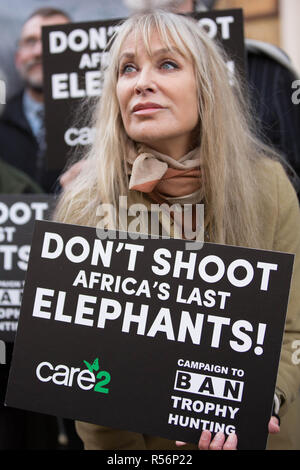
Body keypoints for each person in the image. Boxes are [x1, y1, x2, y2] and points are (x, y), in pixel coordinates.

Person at [54, 10, 300, 450]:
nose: (140, 82)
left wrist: (259, 401)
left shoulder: (269, 185)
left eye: (167, 64)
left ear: (206, 87)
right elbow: (80, 368)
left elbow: (293, 331)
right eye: (127, 68)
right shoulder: (84, 203)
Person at [0, 8, 71, 193]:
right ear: (18, 58)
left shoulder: (104, 125)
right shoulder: (2, 120)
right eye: (30, 41)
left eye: (54, 40)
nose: (39, 51)